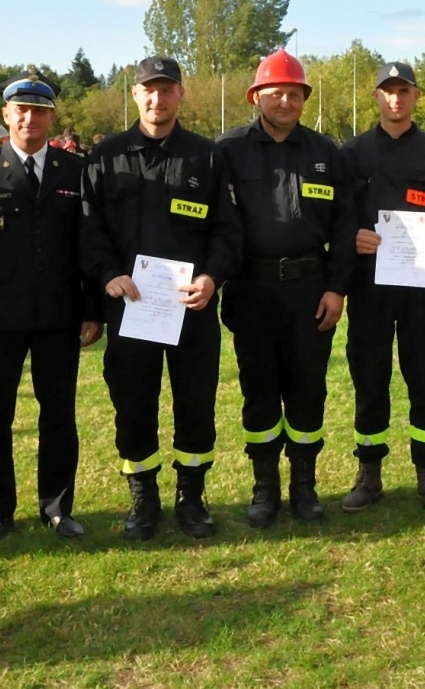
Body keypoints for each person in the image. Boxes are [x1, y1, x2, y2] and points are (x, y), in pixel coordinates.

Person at [81, 56, 242, 540]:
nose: (158, 99)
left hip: (191, 310)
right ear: (135, 95)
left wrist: (213, 277)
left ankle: (191, 498)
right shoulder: (105, 157)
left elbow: (227, 232)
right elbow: (89, 230)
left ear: (181, 94)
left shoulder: (207, 157)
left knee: (195, 404)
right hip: (131, 312)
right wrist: (108, 274)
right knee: (133, 405)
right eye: (149, 90)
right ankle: (143, 497)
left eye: (167, 89)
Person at [0, 69, 103, 544]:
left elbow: (89, 245)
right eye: (22, 110)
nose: (30, 118)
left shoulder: (74, 171)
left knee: (58, 412)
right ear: (6, 115)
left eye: (40, 110)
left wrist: (93, 309)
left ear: (52, 117)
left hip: (59, 315)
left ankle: (57, 507)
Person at [218, 50, 355, 526]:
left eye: (293, 93)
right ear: (256, 97)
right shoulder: (227, 150)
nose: (284, 101)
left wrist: (336, 288)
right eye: (274, 92)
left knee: (307, 391)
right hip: (251, 290)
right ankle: (264, 487)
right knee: (258, 392)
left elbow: (344, 228)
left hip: (309, 290)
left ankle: (304, 486)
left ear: (304, 100)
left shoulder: (325, 153)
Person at [337, 61, 425, 514]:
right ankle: (369, 473)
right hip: (369, 289)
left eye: (403, 91)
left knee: (424, 378)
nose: (395, 99)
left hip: (420, 290)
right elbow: (339, 216)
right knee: (369, 379)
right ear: (376, 97)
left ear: (416, 96)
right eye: (387, 91)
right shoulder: (351, 154)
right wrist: (352, 237)